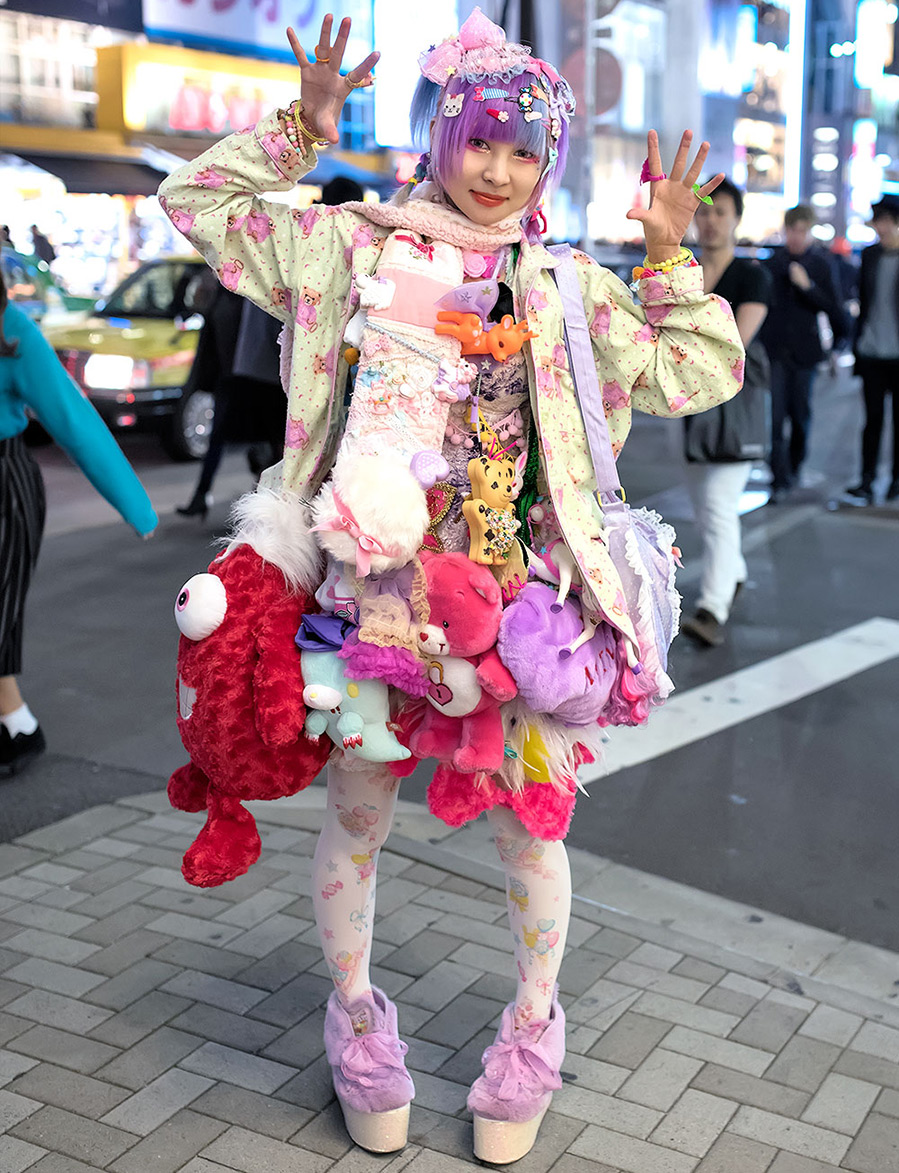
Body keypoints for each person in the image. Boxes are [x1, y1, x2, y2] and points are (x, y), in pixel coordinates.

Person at [158, 8, 742, 1161]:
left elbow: (694, 368)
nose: (495, 170)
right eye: (478, 140)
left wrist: (671, 255)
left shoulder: (564, 286)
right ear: (439, 137)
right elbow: (200, 209)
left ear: (548, 165)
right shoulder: (352, 249)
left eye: (524, 151)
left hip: (513, 613)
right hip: (363, 595)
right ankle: (357, 1020)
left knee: (533, 833)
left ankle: (530, 1033)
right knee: (360, 815)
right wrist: (297, 135)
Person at [0, 271, 156, 776]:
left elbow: (72, 418)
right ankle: (16, 728)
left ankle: (18, 729)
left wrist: (136, 506)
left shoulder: (12, 329)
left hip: (5, 491)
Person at [681, 179, 771, 647]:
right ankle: (732, 573)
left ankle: (712, 607)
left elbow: (734, 345)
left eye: (720, 212)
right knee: (704, 508)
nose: (711, 220)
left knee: (717, 508)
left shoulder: (752, 276)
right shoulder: (688, 273)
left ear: (737, 218)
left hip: (736, 411)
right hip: (696, 409)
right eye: (704, 212)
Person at [760, 205, 846, 501]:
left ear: (809, 231)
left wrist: (807, 286)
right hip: (775, 352)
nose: (795, 237)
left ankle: (794, 466)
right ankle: (779, 479)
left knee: (800, 415)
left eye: (801, 231)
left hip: (804, 352)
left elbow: (833, 307)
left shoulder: (821, 264)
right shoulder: (772, 264)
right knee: (774, 418)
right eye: (791, 230)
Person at [843, 194, 899, 505]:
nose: (882, 228)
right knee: (872, 420)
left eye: (886, 221)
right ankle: (866, 481)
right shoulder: (870, 256)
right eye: (878, 222)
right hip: (872, 351)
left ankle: (895, 482)